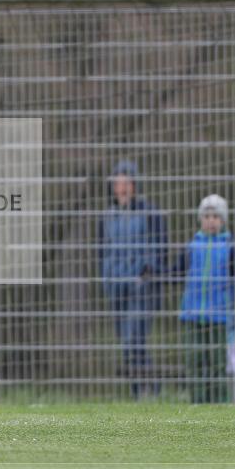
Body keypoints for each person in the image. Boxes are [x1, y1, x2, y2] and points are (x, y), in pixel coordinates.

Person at [173, 194, 235, 404]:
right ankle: (197, 402)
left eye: (216, 216)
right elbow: (175, 272)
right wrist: (155, 272)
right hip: (192, 315)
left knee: (216, 363)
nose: (211, 220)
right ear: (200, 219)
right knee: (194, 362)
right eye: (207, 216)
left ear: (223, 220)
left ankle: (219, 404)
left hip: (219, 316)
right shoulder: (192, 246)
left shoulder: (230, 246)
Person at [99, 160, 167, 399]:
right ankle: (139, 390)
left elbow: (160, 249)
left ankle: (152, 388)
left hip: (142, 288)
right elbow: (103, 250)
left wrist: (149, 273)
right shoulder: (107, 216)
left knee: (135, 339)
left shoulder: (150, 212)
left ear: (135, 185)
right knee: (126, 345)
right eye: (118, 182)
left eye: (127, 181)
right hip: (116, 286)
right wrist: (106, 279)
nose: (122, 187)